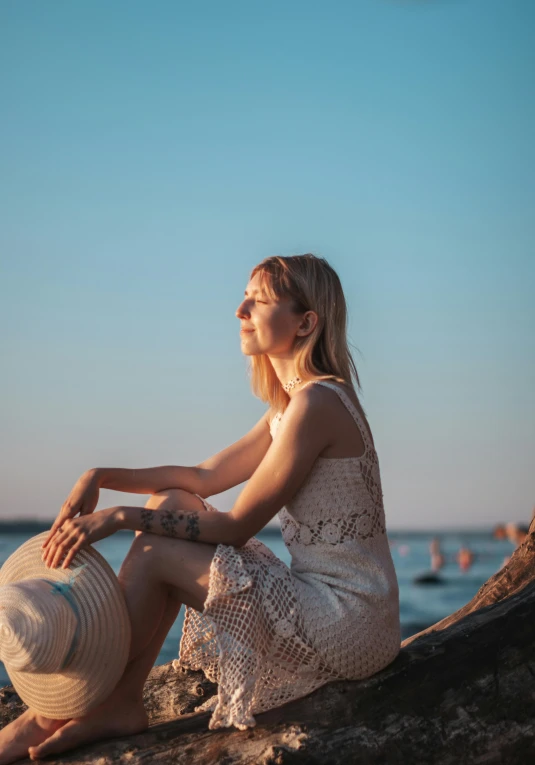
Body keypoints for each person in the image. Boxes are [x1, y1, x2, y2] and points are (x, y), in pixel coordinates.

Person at [0, 253, 401, 763]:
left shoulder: (316, 405)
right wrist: (98, 477)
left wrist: (121, 518)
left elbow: (235, 526)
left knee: (157, 553)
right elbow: (202, 478)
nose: (240, 309)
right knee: (172, 501)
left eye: (258, 300)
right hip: (330, 603)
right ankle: (118, 700)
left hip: (348, 622)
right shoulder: (292, 405)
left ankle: (56, 711)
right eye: (244, 297)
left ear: (306, 323)